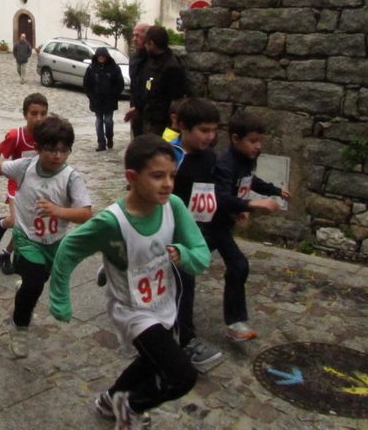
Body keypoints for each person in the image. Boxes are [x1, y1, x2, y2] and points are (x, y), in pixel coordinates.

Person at [49, 135, 210, 429]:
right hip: (131, 310)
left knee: (150, 361)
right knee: (182, 376)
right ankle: (131, 406)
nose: (168, 184)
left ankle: (110, 399)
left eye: (172, 176)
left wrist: (185, 254)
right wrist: (60, 297)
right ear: (132, 178)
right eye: (158, 176)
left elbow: (201, 254)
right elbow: (69, 249)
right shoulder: (111, 221)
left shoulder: (172, 205)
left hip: (164, 303)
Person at [0, 116, 92, 358]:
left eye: (63, 150)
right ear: (37, 148)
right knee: (34, 281)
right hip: (26, 237)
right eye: (51, 149)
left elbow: (86, 214)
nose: (58, 156)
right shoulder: (25, 167)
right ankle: (19, 325)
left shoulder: (71, 178)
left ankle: (25, 284)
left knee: (37, 280)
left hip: (54, 243)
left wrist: (59, 211)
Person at [207, 110, 292, 342]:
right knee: (237, 264)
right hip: (211, 225)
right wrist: (250, 204)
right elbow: (221, 197)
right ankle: (235, 323)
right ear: (236, 139)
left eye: (260, 141)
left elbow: (249, 181)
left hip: (223, 224)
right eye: (253, 141)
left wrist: (274, 190)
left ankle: (235, 323)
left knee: (193, 263)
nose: (258, 146)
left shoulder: (246, 160)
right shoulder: (225, 165)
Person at [168, 98, 224, 373]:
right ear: (184, 128)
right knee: (183, 284)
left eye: (214, 130)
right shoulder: (170, 156)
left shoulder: (210, 157)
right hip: (169, 234)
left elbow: (211, 192)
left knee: (182, 283)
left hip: (196, 232)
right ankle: (185, 342)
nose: (210, 137)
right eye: (204, 130)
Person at [0, 93, 49, 275]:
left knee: (28, 226)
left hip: (37, 188)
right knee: (17, 222)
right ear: (25, 114)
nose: (39, 118)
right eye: (34, 113)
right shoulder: (16, 136)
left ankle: (6, 253)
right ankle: (3, 224)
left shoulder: (47, 135)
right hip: (17, 186)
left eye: (43, 114)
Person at [142, 25, 189, 137]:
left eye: (146, 43)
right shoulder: (155, 61)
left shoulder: (171, 67)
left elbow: (176, 100)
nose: (145, 46)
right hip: (152, 119)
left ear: (152, 44)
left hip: (162, 125)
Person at [83, 46, 124, 152]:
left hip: (109, 100)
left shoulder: (114, 68)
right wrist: (91, 96)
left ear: (106, 56)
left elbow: (120, 84)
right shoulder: (92, 68)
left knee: (109, 121)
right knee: (99, 121)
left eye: (103, 56)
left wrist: (114, 95)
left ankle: (109, 137)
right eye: (99, 56)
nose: (101, 58)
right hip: (97, 100)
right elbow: (87, 84)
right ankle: (101, 143)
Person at [124, 23, 150, 138]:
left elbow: (149, 87)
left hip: (149, 112)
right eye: (133, 36)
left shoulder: (153, 59)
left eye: (138, 36)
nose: (135, 39)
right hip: (135, 110)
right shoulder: (134, 58)